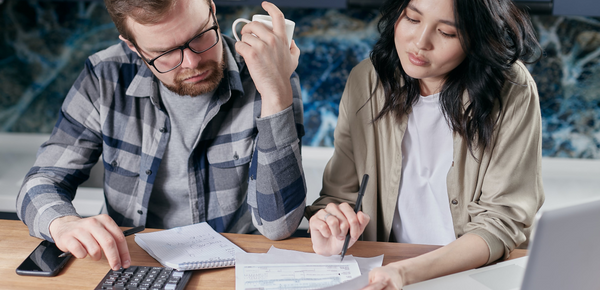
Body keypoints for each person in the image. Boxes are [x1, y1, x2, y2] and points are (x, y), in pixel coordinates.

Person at [16, 0, 306, 271]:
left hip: (233, 267)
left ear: (212, 10)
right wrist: (63, 223)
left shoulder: (270, 73)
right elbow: (42, 181)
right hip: (131, 265)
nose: (192, 62)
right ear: (133, 47)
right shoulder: (104, 76)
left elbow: (278, 225)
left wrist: (276, 92)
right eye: (165, 54)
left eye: (200, 36)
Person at [305, 0, 545, 288]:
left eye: (446, 33)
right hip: (384, 273)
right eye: (412, 19)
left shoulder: (512, 89)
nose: (420, 43)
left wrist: (406, 273)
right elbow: (339, 195)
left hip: (476, 276)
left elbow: (501, 222)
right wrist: (332, 226)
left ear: (477, 38)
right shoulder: (367, 80)